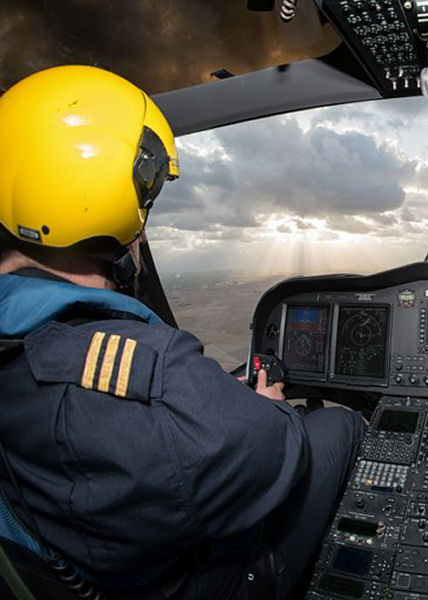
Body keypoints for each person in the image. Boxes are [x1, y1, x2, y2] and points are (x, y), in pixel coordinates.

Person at [0, 65, 365, 598]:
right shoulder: (152, 379)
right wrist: (269, 406)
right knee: (338, 428)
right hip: (201, 583)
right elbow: (274, 451)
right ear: (121, 206)